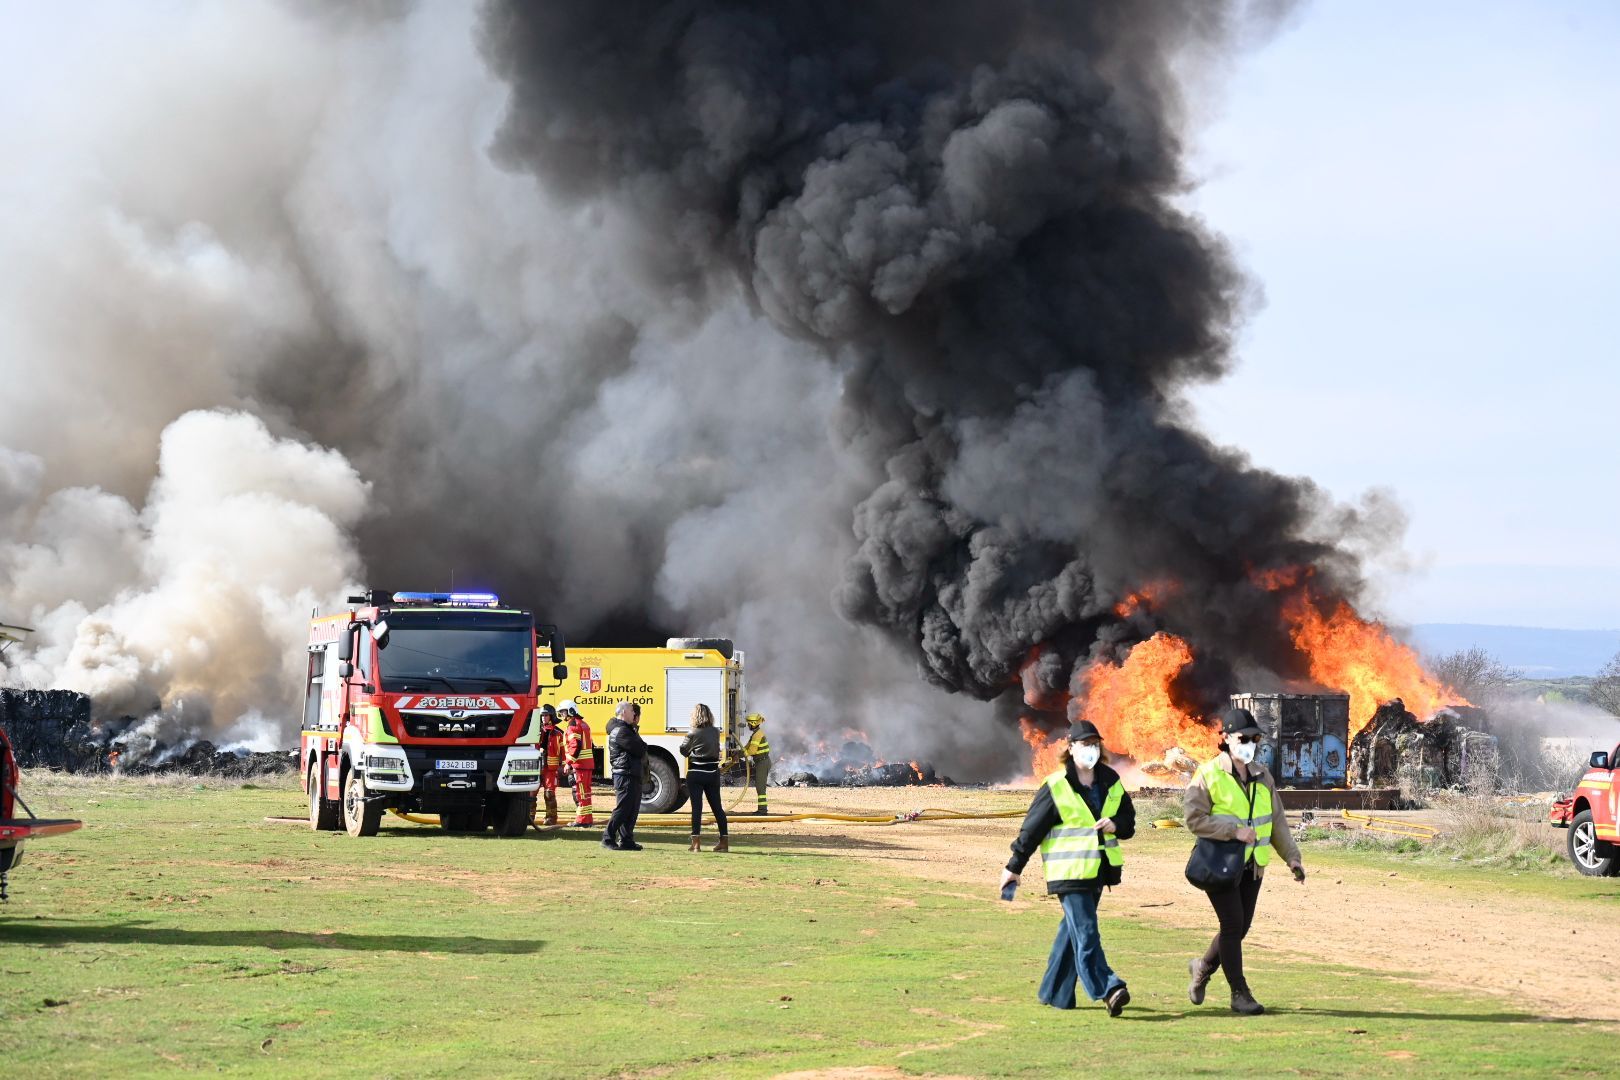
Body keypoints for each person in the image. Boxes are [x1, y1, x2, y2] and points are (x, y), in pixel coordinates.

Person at [1000, 720, 1136, 1017]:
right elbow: (1031, 831)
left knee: (1071, 932)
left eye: (1095, 744)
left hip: (1098, 871)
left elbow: (1129, 821)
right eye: (1084, 744)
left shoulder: (1110, 781)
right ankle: (1109, 988)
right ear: (1071, 748)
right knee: (1086, 931)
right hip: (1068, 874)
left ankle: (1055, 993)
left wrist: (1117, 825)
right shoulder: (1056, 786)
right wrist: (1014, 867)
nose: (1091, 749)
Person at [1183, 706, 1306, 1016]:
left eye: (1255, 739)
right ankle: (1240, 993)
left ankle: (1203, 967)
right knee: (1232, 924)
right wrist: (1233, 832)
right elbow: (1194, 819)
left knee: (1239, 928)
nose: (1250, 743)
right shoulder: (1207, 775)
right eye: (1244, 737)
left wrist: (1292, 859)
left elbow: (1277, 822)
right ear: (1225, 738)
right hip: (1220, 863)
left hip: (1253, 867)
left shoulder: (1263, 776)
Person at [679, 703, 729, 852]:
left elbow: (683, 751)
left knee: (697, 808)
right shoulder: (715, 732)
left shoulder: (692, 733)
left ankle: (696, 843)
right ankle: (724, 841)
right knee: (717, 808)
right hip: (712, 773)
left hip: (696, 773)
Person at [603, 701, 647, 851]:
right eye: (631, 711)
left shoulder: (627, 729)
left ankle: (627, 840)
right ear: (623, 713)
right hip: (625, 774)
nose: (634, 714)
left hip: (631, 773)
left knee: (632, 809)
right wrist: (639, 741)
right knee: (623, 808)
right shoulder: (621, 731)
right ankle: (608, 838)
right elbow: (640, 749)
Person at [560, 700, 595, 828]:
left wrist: (568, 763)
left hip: (580, 766)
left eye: (563, 712)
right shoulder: (584, 724)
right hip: (586, 765)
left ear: (570, 711)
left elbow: (575, 746)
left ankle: (582, 820)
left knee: (580, 794)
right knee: (585, 793)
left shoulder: (573, 726)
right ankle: (587, 819)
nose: (562, 715)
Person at [536, 704, 563, 827]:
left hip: (550, 768)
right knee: (530, 793)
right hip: (535, 766)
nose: (543, 717)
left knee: (549, 793)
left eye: (546, 715)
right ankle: (529, 817)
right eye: (542, 715)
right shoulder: (534, 732)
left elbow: (563, 751)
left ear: (551, 716)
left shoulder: (558, 734)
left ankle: (551, 818)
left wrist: (563, 765)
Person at [742, 712, 771, 815]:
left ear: (753, 723)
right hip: (760, 762)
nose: (748, 725)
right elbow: (747, 747)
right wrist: (738, 752)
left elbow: (752, 751)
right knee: (760, 786)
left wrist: (743, 754)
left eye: (749, 724)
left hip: (762, 762)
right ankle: (762, 809)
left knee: (760, 786)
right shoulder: (756, 733)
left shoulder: (757, 735)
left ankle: (762, 810)